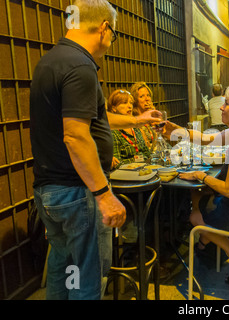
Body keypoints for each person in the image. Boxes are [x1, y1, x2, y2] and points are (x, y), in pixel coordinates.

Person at [29, 0, 161, 300]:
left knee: (64, 266)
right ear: (104, 28)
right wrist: (104, 195)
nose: (111, 42)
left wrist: (137, 119)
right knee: (87, 275)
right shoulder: (80, 66)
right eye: (113, 35)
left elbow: (93, 116)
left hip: (50, 189)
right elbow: (76, 136)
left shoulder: (51, 61)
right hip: (77, 192)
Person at [163, 85, 229, 284]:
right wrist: (175, 130)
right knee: (201, 202)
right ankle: (217, 252)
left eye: (226, 103)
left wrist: (201, 176)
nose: (221, 107)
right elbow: (205, 139)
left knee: (195, 216)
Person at [108, 89, 152, 167]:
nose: (129, 106)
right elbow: (116, 163)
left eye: (131, 103)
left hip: (144, 169)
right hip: (126, 174)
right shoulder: (113, 131)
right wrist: (136, 161)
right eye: (125, 103)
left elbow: (147, 154)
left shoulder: (135, 127)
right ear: (114, 108)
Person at [130, 81, 156, 150]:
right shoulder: (134, 119)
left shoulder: (152, 116)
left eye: (148, 95)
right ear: (135, 100)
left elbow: (162, 136)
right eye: (142, 96)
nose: (147, 99)